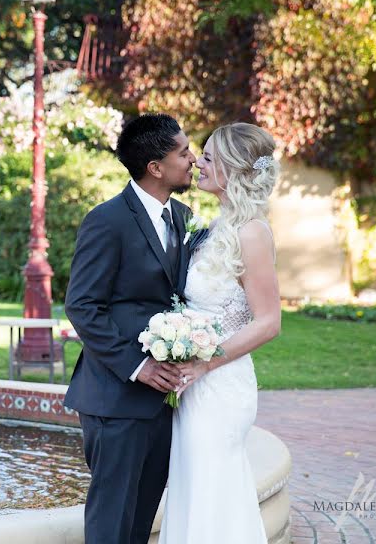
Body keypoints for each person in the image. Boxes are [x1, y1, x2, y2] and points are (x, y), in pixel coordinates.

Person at [64, 113, 197, 544]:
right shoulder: (107, 220)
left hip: (162, 402)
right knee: (111, 524)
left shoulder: (181, 215)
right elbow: (82, 305)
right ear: (155, 167)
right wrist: (137, 366)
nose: (193, 160)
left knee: (140, 525)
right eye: (183, 152)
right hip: (115, 398)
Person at [159, 122, 281, 543]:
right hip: (195, 381)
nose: (198, 162)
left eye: (208, 157)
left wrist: (203, 362)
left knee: (213, 493)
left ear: (232, 168)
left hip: (220, 384)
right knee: (195, 490)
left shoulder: (252, 232)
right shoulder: (217, 225)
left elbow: (269, 322)